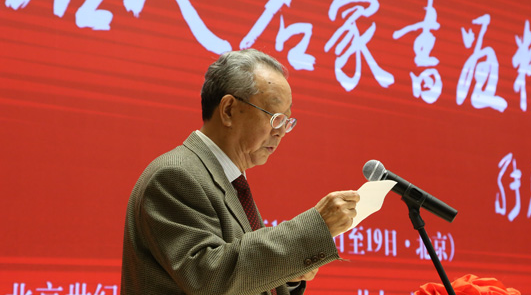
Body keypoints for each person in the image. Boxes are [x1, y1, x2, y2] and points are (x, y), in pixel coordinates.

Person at [120, 49, 360, 295]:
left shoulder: (230, 181)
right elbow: (209, 279)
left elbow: (240, 277)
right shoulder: (175, 175)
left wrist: (288, 276)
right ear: (228, 110)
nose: (281, 131)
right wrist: (310, 230)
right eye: (275, 117)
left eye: (287, 121)